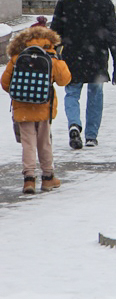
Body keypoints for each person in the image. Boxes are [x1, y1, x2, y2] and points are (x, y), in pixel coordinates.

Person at [51, 0, 116, 149]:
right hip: (97, 58)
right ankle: (91, 136)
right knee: (95, 94)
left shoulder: (65, 2)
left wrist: (51, 59)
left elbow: (54, 34)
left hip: (71, 57)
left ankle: (74, 125)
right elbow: (113, 37)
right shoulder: (105, 4)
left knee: (72, 93)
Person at [2, 17, 71, 194]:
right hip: (44, 107)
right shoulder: (51, 57)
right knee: (44, 143)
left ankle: (29, 179)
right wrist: (59, 59)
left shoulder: (18, 57)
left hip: (22, 107)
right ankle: (48, 178)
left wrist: (21, 93)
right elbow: (64, 80)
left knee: (28, 144)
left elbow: (4, 82)